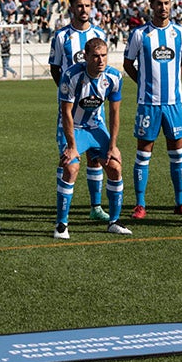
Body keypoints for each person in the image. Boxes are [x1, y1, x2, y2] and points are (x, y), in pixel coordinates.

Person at [123, 0, 182, 218]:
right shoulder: (139, 35)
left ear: (171, 4)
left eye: (166, 3)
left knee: (177, 154)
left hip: (174, 103)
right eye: (159, 3)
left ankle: (181, 202)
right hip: (148, 104)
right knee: (144, 154)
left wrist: (173, 80)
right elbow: (128, 64)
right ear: (151, 5)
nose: (163, 7)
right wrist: (144, 83)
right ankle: (140, 204)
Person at [54, 38, 131, 239]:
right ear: (86, 56)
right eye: (95, 56)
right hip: (73, 128)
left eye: (103, 56)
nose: (100, 60)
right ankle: (61, 225)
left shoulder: (114, 77)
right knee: (71, 168)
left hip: (96, 127)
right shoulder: (71, 76)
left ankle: (114, 221)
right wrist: (71, 146)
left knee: (115, 166)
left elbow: (115, 114)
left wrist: (113, 146)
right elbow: (66, 113)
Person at [49, 0, 110, 222]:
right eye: (79, 6)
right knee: (67, 156)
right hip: (70, 110)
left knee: (95, 157)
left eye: (87, 5)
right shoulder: (62, 36)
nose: (84, 10)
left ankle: (95, 207)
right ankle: (62, 208)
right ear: (71, 8)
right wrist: (69, 94)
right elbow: (56, 67)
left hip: (95, 109)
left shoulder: (99, 33)